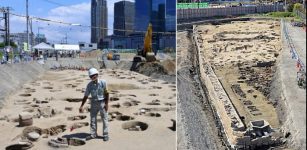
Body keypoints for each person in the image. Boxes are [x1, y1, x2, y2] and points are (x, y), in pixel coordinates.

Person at [79, 68, 109, 141]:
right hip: (94, 103)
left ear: (97, 74)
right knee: (92, 119)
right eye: (91, 76)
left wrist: (106, 104)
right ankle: (93, 134)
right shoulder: (89, 85)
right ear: (90, 77)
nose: (93, 77)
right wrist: (81, 106)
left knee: (104, 119)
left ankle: (105, 135)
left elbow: (107, 93)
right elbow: (86, 96)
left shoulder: (103, 82)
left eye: (94, 75)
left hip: (102, 102)